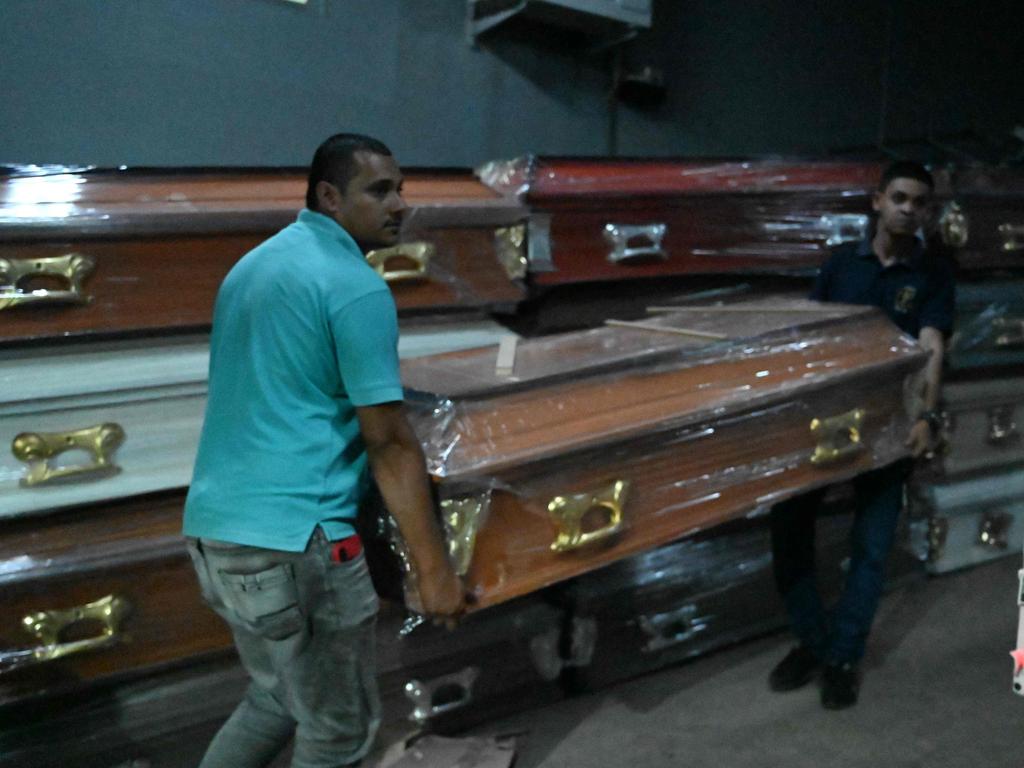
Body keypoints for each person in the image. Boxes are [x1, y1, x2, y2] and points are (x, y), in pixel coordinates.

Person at [182, 133, 465, 767]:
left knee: (277, 700)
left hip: (216, 536)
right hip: (298, 544)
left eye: (401, 190)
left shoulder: (253, 267)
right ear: (329, 196)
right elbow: (389, 443)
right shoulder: (354, 287)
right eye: (379, 190)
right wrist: (434, 571)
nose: (398, 205)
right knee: (338, 732)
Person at [767, 160, 954, 709]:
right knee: (789, 531)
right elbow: (809, 343)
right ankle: (815, 640)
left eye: (920, 202)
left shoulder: (931, 275)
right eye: (899, 197)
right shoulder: (839, 266)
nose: (908, 209)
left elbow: (931, 347)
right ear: (877, 201)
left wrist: (924, 416)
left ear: (928, 212)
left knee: (871, 548)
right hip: (822, 424)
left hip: (890, 426)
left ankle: (844, 655)